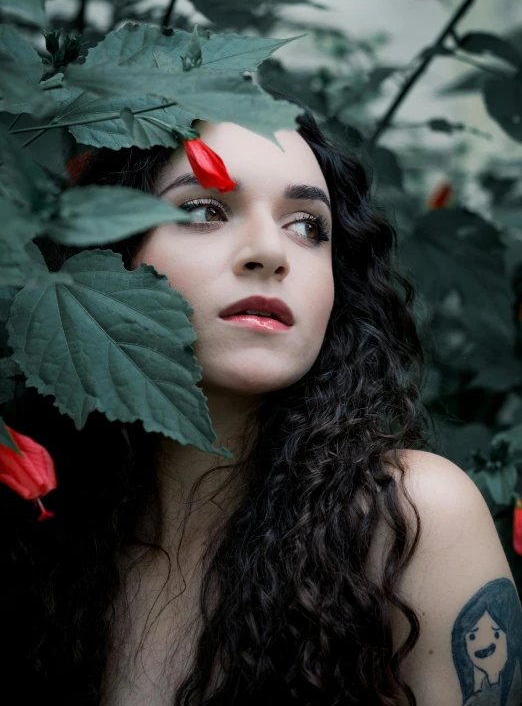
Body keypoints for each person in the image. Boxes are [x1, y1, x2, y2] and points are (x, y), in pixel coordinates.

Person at [1, 86, 520, 706]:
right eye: (203, 211)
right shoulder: (39, 537)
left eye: (308, 227)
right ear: (102, 253)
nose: (271, 254)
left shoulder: (409, 517)